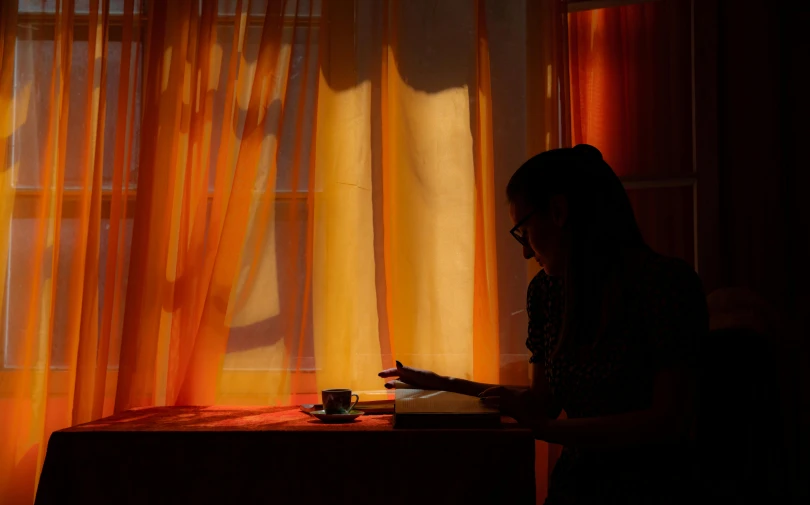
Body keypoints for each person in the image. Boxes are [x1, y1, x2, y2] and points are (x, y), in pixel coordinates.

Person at [379, 144, 708, 504]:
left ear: (558, 211)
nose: (524, 251)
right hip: (577, 484)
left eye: (523, 230)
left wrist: (547, 430)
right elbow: (543, 403)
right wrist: (441, 383)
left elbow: (668, 420)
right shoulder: (547, 292)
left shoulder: (666, 285)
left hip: (656, 487)